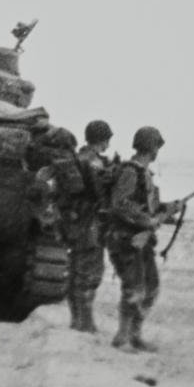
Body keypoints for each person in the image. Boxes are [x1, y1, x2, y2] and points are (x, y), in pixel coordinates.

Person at [106, 126, 181, 353]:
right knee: (135, 288)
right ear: (152, 147)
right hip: (126, 240)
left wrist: (169, 208)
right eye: (157, 146)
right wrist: (146, 221)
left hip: (141, 241)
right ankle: (122, 337)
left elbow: (149, 206)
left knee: (151, 288)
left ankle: (135, 335)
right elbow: (120, 203)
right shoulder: (131, 172)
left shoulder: (144, 173)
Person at [66, 120, 115, 333]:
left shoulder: (76, 157)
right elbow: (100, 194)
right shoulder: (94, 162)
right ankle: (85, 321)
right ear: (103, 140)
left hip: (74, 221)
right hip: (91, 222)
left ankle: (76, 319)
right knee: (91, 271)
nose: (108, 145)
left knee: (77, 269)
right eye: (107, 140)